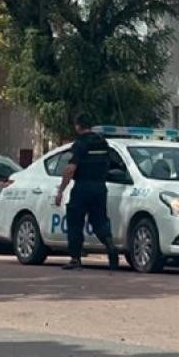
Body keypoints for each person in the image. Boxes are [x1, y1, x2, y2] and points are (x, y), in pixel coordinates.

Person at [54, 113, 119, 271]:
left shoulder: (80, 144)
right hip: (100, 187)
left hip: (82, 187)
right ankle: (110, 245)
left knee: (75, 221)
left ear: (78, 126)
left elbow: (70, 169)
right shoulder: (103, 143)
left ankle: (75, 259)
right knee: (99, 221)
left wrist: (61, 190)